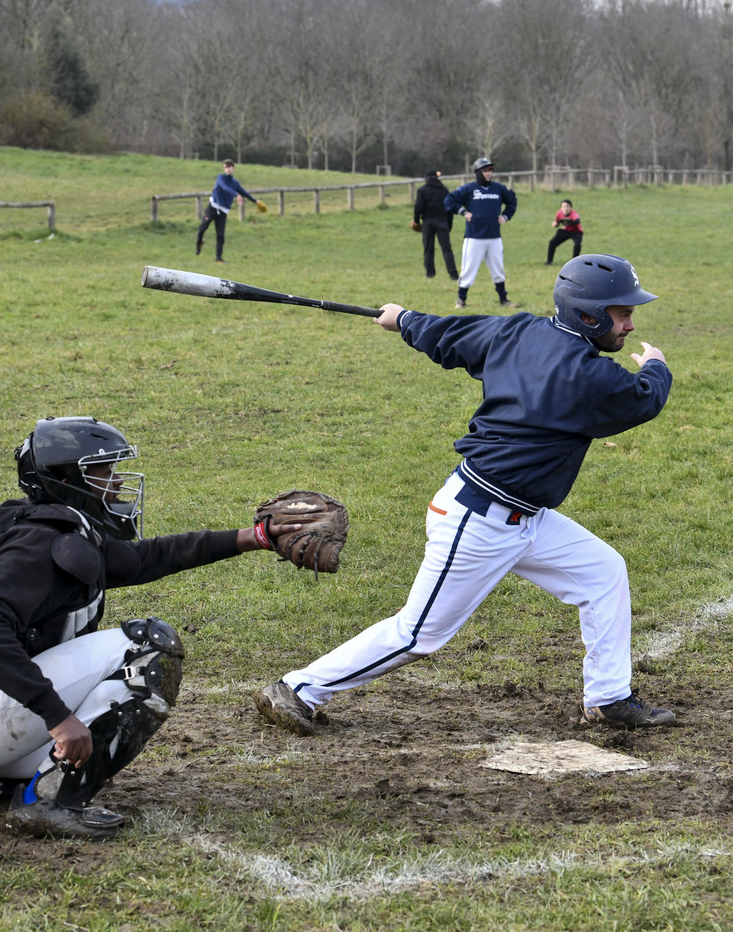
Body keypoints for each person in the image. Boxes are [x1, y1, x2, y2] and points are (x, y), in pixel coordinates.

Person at [254, 254, 677, 737]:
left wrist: (405, 320)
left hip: (524, 517)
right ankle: (298, 689)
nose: (629, 324)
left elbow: (448, 336)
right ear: (589, 316)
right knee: (417, 634)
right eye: (622, 314)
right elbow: (645, 396)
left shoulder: (514, 332)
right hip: (479, 520)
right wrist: (657, 365)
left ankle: (607, 698)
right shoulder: (591, 378)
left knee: (604, 571)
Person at [0, 417, 314, 839]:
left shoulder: (61, 529)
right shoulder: (40, 543)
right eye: (101, 471)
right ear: (65, 477)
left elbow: (150, 558)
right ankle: (50, 800)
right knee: (148, 648)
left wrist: (255, 536)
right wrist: (58, 720)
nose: (114, 482)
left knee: (92, 691)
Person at [445, 157, 517, 309]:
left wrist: (505, 216)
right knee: (468, 270)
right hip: (474, 237)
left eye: (490, 170)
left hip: (494, 237)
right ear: (478, 172)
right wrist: (463, 211)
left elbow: (512, 200)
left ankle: (504, 300)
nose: (488, 173)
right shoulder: (469, 188)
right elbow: (449, 200)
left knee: (498, 269)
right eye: (485, 170)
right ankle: (461, 300)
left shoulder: (498, 188)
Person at [195, 159, 261, 263]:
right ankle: (199, 243)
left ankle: (218, 258)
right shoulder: (220, 178)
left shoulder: (235, 183)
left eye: (230, 167)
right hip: (213, 207)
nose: (228, 169)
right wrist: (236, 195)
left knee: (220, 235)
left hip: (223, 211)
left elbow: (243, 192)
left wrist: (255, 201)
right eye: (226, 167)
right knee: (202, 229)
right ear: (224, 169)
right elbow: (225, 188)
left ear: (233, 168)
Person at [411, 170, 457, 280]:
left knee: (428, 248)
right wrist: (449, 224)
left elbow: (418, 206)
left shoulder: (422, 190)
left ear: (427, 178)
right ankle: (453, 274)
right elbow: (450, 207)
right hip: (442, 221)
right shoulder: (444, 190)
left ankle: (430, 273)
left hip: (428, 222)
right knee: (446, 249)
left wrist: (416, 220)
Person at [547, 200, 583, 265]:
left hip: (576, 232)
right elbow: (557, 222)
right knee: (552, 242)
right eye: (563, 206)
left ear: (571, 208)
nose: (565, 209)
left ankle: (574, 262)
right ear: (561, 208)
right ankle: (549, 261)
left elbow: (577, 221)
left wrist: (568, 222)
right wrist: (556, 224)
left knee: (577, 245)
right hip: (566, 231)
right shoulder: (559, 213)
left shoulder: (574, 214)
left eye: (567, 206)